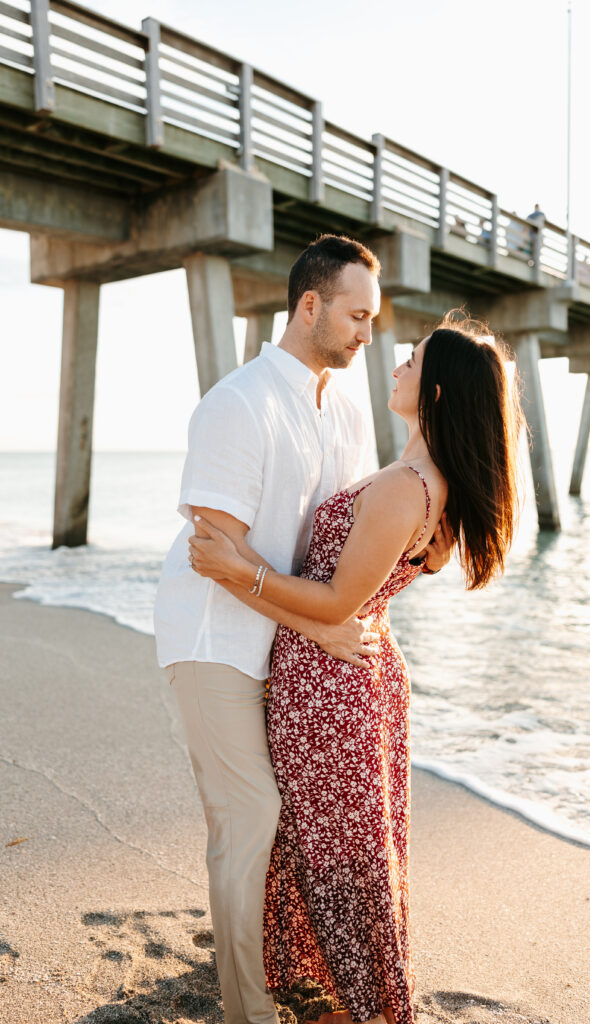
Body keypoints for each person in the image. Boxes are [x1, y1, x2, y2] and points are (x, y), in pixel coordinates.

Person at [189, 315, 524, 1024]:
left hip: (331, 683)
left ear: (434, 390)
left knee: (338, 845)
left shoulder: (408, 485)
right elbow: (370, 595)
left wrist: (237, 572)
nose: (395, 365)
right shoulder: (424, 481)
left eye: (410, 360)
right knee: (339, 835)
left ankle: (367, 1001)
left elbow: (342, 598)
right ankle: (336, 987)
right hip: (349, 672)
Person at [154, 234, 452, 1024]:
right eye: (356, 315)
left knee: (282, 826)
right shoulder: (237, 402)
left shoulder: (349, 409)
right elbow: (217, 550)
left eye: (374, 318)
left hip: (287, 648)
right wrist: (322, 628)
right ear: (309, 304)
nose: (366, 332)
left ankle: (281, 966)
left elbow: (344, 544)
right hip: (216, 637)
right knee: (249, 817)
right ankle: (246, 1010)